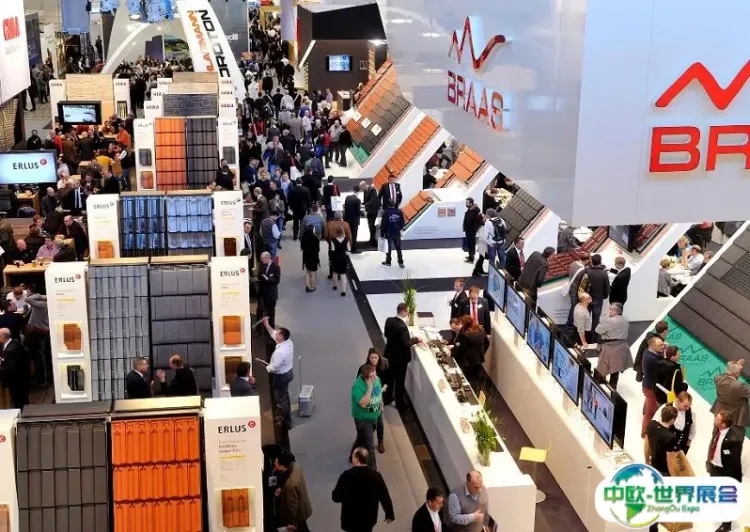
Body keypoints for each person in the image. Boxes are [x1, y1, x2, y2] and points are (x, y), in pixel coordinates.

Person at [332, 447, 395, 532]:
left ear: (356, 460)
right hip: (368, 518)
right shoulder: (376, 476)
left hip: (351, 519)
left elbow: (336, 498)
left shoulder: (346, 476)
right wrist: (389, 514)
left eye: (353, 456)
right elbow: (384, 496)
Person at [707, 410, 744, 532]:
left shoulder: (734, 440)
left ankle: (726, 525)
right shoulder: (718, 431)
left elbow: (734, 462)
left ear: (723, 424)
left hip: (726, 473)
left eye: (717, 419)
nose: (715, 419)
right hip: (715, 468)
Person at [384, 303, 423, 410]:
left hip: (391, 355)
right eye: (407, 312)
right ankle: (399, 403)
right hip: (401, 359)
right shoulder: (402, 327)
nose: (408, 314)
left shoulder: (389, 320)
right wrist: (417, 339)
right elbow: (406, 343)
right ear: (403, 312)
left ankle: (387, 398)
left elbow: (386, 334)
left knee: (390, 378)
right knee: (400, 381)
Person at [262, 318, 294, 430]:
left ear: (281, 337)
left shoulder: (281, 352)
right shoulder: (288, 342)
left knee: (280, 398)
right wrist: (266, 324)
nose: (276, 333)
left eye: (278, 333)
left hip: (281, 376)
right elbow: (273, 333)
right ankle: (286, 415)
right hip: (288, 373)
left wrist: (267, 367)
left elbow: (275, 368)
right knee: (284, 395)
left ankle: (287, 422)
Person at [350, 364, 384, 468]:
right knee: (370, 446)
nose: (375, 377)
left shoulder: (377, 380)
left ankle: (352, 456)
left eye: (375, 375)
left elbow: (379, 394)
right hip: (363, 421)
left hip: (375, 416)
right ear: (366, 378)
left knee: (361, 438)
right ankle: (373, 470)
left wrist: (381, 405)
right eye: (372, 377)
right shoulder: (357, 387)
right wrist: (369, 389)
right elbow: (363, 404)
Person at [594, 302, 631, 389]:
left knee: (602, 368)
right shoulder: (626, 320)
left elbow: (598, 330)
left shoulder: (608, 320)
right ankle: (613, 389)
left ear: (615, 311)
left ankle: (596, 387)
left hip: (609, 347)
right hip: (622, 347)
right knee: (615, 370)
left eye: (611, 309)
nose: (609, 310)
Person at [273, 452, 313, 531]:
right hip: (303, 505)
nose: (274, 463)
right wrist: (282, 489)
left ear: (282, 466)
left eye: (276, 463)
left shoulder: (290, 484)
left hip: (299, 514)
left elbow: (292, 506)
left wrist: (291, 523)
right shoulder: (295, 466)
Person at [361, 348, 391, 449]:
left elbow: (388, 382)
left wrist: (383, 391)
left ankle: (380, 441)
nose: (374, 360)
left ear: (379, 358)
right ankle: (364, 440)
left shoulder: (383, 368)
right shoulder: (363, 369)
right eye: (372, 358)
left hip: (378, 399)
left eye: (375, 358)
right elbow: (359, 383)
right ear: (368, 358)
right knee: (368, 423)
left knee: (379, 422)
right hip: (367, 398)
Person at [450, 316, 489, 388]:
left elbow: (461, 347)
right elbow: (487, 343)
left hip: (467, 362)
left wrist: (452, 354)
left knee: (467, 379)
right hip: (478, 359)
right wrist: (481, 353)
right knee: (476, 377)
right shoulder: (481, 329)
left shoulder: (466, 334)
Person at [710, 359, 750, 428]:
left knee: (716, 434)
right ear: (736, 373)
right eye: (739, 372)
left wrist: (732, 367)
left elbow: (724, 375)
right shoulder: (739, 386)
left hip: (720, 419)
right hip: (734, 422)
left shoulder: (718, 379)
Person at [641, 336, 666, 437]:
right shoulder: (652, 359)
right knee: (650, 412)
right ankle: (645, 433)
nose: (663, 346)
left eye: (663, 344)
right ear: (653, 346)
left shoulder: (649, 351)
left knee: (649, 408)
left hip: (648, 385)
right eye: (661, 345)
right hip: (650, 388)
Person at [644, 405, 678, 477]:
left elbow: (646, 445)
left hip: (653, 464)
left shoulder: (651, 424)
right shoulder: (670, 437)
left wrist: (647, 461)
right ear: (672, 420)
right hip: (663, 470)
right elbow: (670, 461)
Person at [0, 327, 30, 408]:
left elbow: (10, 369)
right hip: (22, 378)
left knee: (19, 402)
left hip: (16, 382)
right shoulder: (15, 342)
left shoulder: (10, 350)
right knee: (23, 400)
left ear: (2, 337)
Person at [582, 254, 610, 331]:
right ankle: (594, 334)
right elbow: (607, 287)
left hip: (587, 298)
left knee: (585, 316)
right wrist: (605, 296)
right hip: (598, 299)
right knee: (596, 318)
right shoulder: (604, 273)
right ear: (600, 262)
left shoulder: (587, 272)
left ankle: (585, 332)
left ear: (591, 261)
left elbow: (583, 286)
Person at [257, 252, 280, 327]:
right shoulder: (262, 265)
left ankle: (271, 328)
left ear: (267, 258)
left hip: (271, 294)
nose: (261, 260)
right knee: (260, 310)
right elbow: (259, 275)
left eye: (262, 258)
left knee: (271, 312)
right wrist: (264, 278)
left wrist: (267, 279)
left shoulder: (276, 267)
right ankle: (258, 329)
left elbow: (277, 280)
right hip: (262, 293)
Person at [381, 200, 405, 268]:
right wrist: (399, 228)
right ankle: (401, 263)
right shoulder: (399, 211)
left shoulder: (386, 212)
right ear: (394, 204)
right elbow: (402, 222)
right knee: (398, 248)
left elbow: (383, 224)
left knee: (388, 248)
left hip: (388, 233)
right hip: (397, 233)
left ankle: (388, 262)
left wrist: (382, 234)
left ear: (388, 205)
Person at [329, 226, 350, 296]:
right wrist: (345, 254)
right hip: (343, 259)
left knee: (335, 273)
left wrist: (330, 259)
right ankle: (343, 291)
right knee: (343, 274)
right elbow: (349, 250)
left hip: (335, 259)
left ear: (336, 232)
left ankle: (335, 286)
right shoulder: (346, 240)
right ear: (343, 232)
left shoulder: (333, 240)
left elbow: (332, 250)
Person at [300, 225, 320, 293]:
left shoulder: (303, 237)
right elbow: (318, 249)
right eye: (314, 228)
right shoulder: (315, 238)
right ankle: (312, 287)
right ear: (312, 230)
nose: (314, 229)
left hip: (306, 257)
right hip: (313, 257)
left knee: (307, 272)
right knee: (313, 273)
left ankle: (307, 286)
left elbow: (302, 247)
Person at [462, 198, 483, 264]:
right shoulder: (471, 210)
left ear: (471, 203)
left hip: (471, 230)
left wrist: (470, 211)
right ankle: (470, 256)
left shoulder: (472, 211)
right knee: (470, 243)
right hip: (469, 230)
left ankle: (471, 258)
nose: (466, 204)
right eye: (466, 203)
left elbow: (470, 220)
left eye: (467, 203)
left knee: (471, 244)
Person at [343, 186, 362, 253]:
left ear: (353, 190)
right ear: (358, 191)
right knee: (354, 235)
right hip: (354, 221)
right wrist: (362, 213)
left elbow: (345, 207)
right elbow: (358, 212)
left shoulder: (347, 197)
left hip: (347, 219)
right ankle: (353, 249)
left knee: (347, 234)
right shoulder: (357, 200)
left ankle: (346, 248)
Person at [364, 182, 380, 247]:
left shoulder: (372, 190)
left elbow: (372, 200)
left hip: (374, 211)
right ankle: (371, 239)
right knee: (370, 226)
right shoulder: (365, 190)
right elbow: (365, 200)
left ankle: (374, 241)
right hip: (369, 211)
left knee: (373, 226)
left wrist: (366, 205)